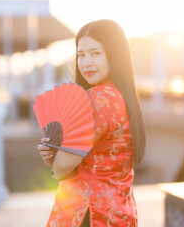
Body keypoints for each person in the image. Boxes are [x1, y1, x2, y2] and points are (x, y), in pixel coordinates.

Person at [37, 19, 146, 227]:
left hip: (87, 214)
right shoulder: (123, 97)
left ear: (114, 55)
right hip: (120, 213)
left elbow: (62, 167)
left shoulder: (96, 99)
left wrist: (54, 162)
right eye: (81, 55)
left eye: (95, 53)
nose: (86, 62)